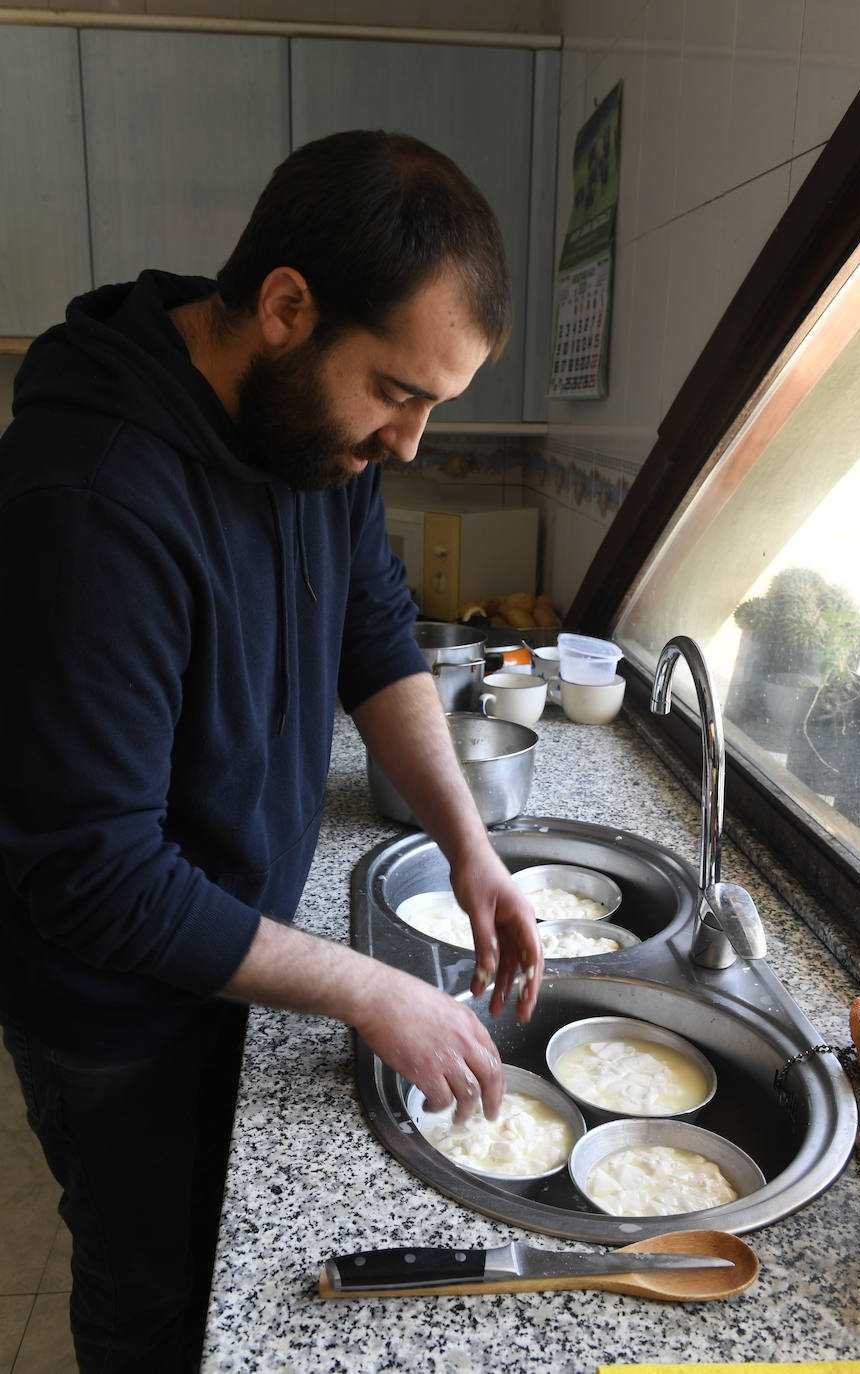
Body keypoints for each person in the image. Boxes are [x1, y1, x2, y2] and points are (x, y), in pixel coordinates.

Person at [0, 129, 543, 1373]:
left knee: (228, 1287)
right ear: (287, 307)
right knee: (158, 1301)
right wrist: (372, 987)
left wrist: (472, 850)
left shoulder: (315, 435)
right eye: (400, 392)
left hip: (232, 944)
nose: (408, 442)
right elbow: (94, 875)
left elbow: (372, 636)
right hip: (117, 1015)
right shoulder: (91, 499)